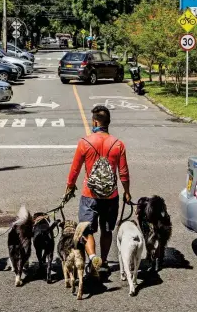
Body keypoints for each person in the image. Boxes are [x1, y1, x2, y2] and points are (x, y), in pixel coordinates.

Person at [66, 105, 131, 279]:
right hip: (111, 195)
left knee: (87, 230)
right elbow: (123, 172)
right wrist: (127, 192)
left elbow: (75, 170)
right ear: (108, 123)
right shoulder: (118, 144)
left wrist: (70, 186)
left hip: (90, 194)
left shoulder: (84, 142)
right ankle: (104, 260)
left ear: (95, 121)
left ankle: (93, 259)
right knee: (107, 229)